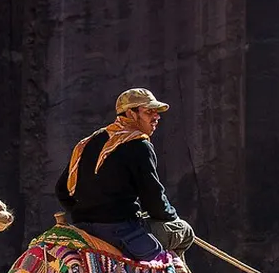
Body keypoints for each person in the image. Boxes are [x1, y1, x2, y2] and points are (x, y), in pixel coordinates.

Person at [56, 87, 194, 260]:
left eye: (157, 112)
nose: (156, 117)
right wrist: (171, 217)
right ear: (131, 113)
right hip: (120, 231)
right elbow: (154, 200)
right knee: (185, 231)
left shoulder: (88, 142)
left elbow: (62, 189)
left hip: (82, 227)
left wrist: (84, 212)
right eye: (149, 111)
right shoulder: (138, 145)